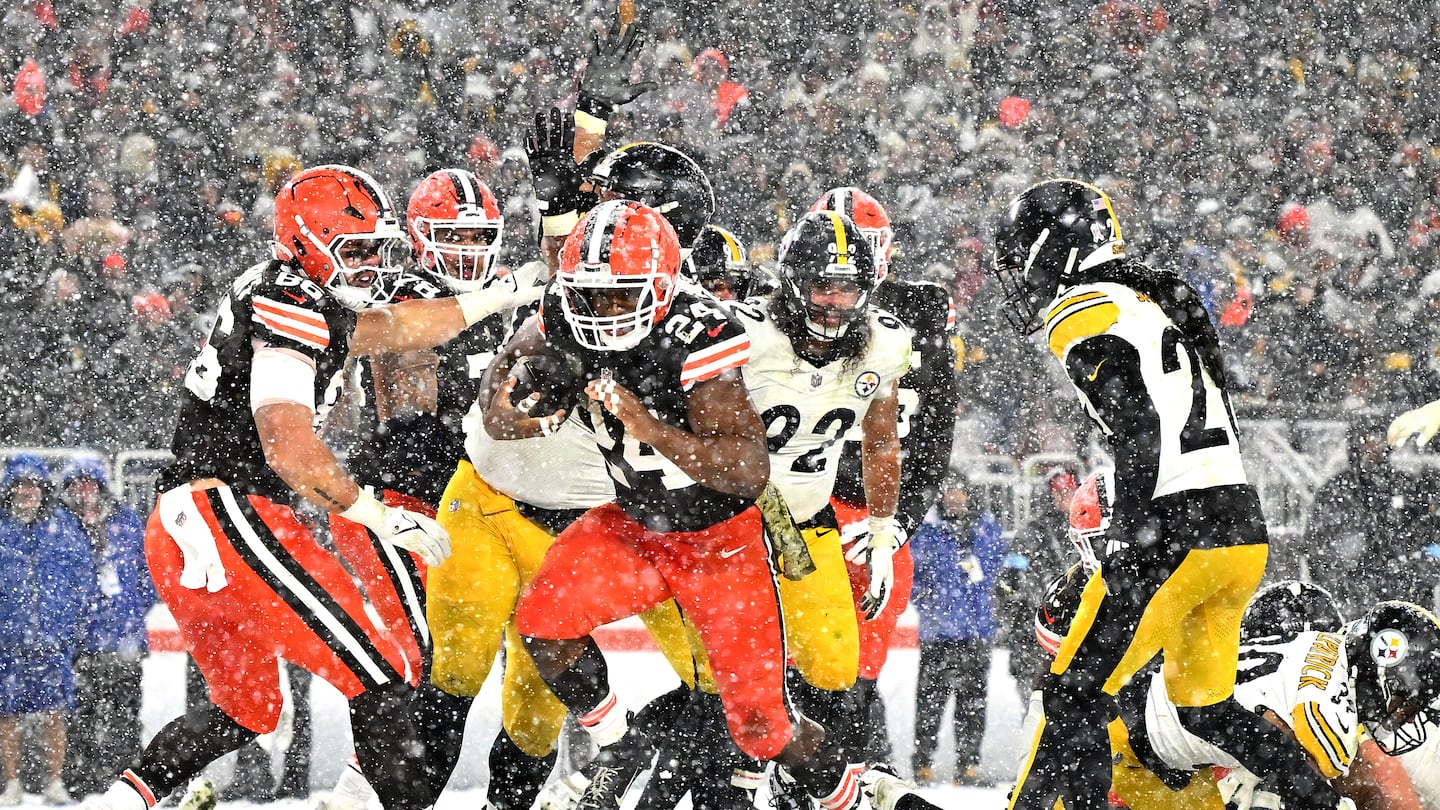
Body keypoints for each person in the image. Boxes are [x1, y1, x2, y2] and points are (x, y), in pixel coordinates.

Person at [81, 163, 540, 810]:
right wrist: (375, 515)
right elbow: (286, 441)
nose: (369, 264)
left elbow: (403, 327)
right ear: (305, 240)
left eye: (376, 249)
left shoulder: (292, 291)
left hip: (185, 523)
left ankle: (123, 803)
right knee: (383, 676)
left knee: (248, 709)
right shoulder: (291, 297)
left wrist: (501, 295)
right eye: (353, 249)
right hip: (229, 510)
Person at [483, 201, 939, 810]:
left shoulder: (707, 334)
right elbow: (507, 372)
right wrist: (512, 412)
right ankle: (617, 742)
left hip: (722, 539)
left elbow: (747, 472)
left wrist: (645, 423)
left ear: (664, 287)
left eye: (624, 294)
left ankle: (854, 795)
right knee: (542, 621)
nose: (607, 311)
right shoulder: (564, 314)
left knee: (763, 727)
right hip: (636, 525)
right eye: (593, 295)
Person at [991, 179, 1271, 810]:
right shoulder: (1153, 293)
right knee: (1207, 712)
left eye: (1022, 254)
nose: (1019, 275)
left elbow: (1138, 425)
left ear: (1055, 244)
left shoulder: (1083, 311)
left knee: (1074, 695)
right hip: (1240, 523)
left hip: (1176, 526)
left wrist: (1128, 529)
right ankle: (1322, 798)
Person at [629, 209, 912, 810]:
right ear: (790, 281)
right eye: (822, 285)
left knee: (834, 665)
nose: (835, 303)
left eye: (849, 289)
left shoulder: (884, 343)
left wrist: (883, 531)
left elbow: (880, 442)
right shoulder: (743, 335)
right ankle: (662, 767)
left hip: (803, 523)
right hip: (727, 521)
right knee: (722, 676)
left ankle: (771, 767)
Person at [811, 186, 958, 765]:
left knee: (858, 668)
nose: (849, 270)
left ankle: (851, 770)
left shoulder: (916, 315)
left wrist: (896, 523)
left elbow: (932, 440)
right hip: (802, 503)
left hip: (876, 505)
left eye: (863, 249)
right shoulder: (782, 316)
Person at [56, 457, 156, 800]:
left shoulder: (127, 523)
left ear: (100, 487)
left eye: (90, 484)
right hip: (81, 642)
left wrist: (133, 614)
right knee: (82, 715)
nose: (84, 492)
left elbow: (148, 574)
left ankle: (123, 778)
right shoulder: (63, 525)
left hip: (123, 639)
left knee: (125, 715)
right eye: (77, 485)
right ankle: (81, 777)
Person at [0, 455, 92, 806]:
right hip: (7, 643)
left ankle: (54, 782)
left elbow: (83, 581)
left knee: (56, 715)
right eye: (20, 485)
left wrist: (69, 626)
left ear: (43, 490)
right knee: (7, 716)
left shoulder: (64, 529)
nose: (26, 492)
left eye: (33, 485)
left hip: (52, 641)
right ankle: (12, 784)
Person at [908, 472, 1005, 787]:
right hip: (938, 633)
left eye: (960, 491)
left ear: (969, 495)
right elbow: (913, 575)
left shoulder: (986, 528)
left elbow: (994, 571)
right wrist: (929, 605)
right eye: (950, 491)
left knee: (973, 701)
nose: (955, 497)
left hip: (976, 631)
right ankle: (923, 761)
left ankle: (969, 764)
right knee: (929, 701)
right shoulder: (928, 530)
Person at [1306, 416, 1438, 617]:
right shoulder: (1335, 491)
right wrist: (1346, 589)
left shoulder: (1406, 486)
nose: (1373, 446)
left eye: (1378, 439)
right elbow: (1319, 549)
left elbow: (1430, 538)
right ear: (1354, 444)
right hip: (1354, 604)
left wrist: (1415, 575)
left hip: (1406, 602)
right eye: (1366, 439)